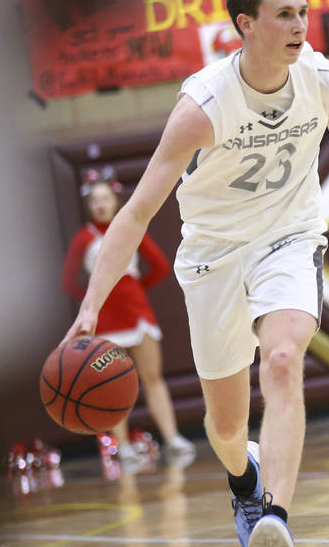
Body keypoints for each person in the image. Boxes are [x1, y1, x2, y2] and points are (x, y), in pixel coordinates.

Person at [62, 0, 329, 547]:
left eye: (303, 13)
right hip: (212, 256)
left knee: (284, 360)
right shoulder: (203, 107)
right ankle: (244, 482)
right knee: (227, 426)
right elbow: (136, 213)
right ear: (246, 24)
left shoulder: (319, 76)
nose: (299, 26)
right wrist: (90, 308)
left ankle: (275, 518)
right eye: (284, 15)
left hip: (289, 236)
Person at [60, 167, 195, 464]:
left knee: (153, 377)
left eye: (105, 198)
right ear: (88, 205)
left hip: (138, 315)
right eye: (95, 200)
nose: (100, 205)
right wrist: (96, 298)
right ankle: (122, 447)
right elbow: (68, 282)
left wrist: (134, 287)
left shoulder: (129, 228)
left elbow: (160, 265)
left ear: (116, 201)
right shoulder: (83, 239)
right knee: (112, 385)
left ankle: (172, 437)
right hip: (105, 321)